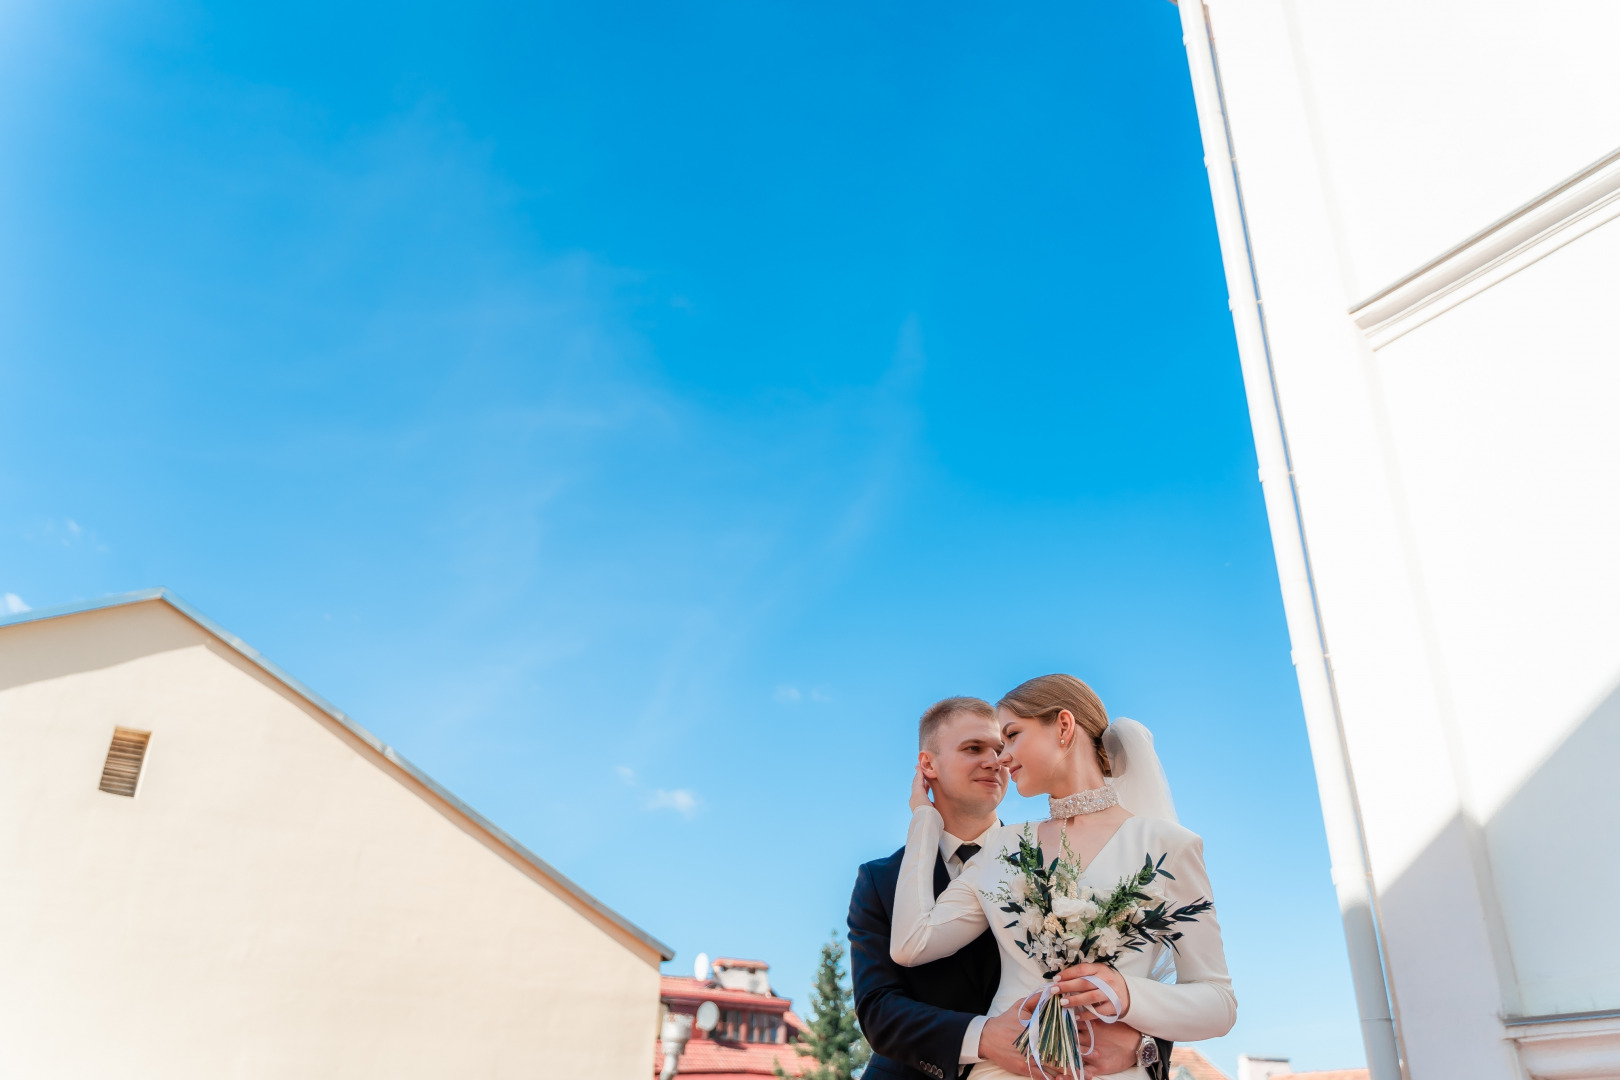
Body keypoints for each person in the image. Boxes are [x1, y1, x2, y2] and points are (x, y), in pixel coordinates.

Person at [888, 676, 1237, 1080]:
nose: (1002, 758)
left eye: (1012, 736)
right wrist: (923, 820)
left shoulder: (1169, 846)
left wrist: (1128, 995)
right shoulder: (1001, 846)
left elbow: (1219, 1003)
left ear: (1064, 727)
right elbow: (912, 944)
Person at [848, 696, 1161, 1080]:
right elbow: (879, 1009)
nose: (996, 760)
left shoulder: (1060, 855)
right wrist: (983, 1037)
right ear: (928, 765)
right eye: (973, 748)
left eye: (1002, 747)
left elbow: (1137, 971)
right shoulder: (880, 881)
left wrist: (1142, 1043)